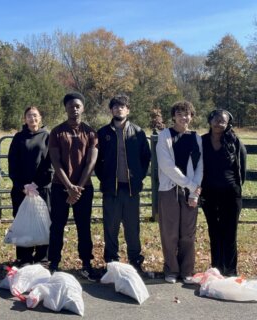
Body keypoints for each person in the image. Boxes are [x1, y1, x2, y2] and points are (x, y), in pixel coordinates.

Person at [95, 95, 151, 273]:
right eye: (116, 106)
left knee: (132, 227)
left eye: (123, 106)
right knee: (110, 226)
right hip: (111, 188)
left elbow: (145, 157)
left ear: (128, 110)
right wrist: (104, 178)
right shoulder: (103, 133)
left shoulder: (138, 132)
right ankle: (112, 261)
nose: (119, 109)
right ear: (111, 110)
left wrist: (138, 177)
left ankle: (135, 260)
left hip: (131, 189)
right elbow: (96, 160)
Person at [47, 92, 99, 281]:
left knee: (83, 226)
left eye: (78, 106)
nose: (74, 109)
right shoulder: (57, 132)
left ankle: (86, 263)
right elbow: (55, 161)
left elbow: (91, 163)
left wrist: (78, 188)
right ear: (66, 108)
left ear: (82, 108)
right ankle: (53, 262)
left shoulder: (91, 132)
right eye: (71, 106)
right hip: (60, 187)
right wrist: (69, 187)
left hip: (84, 188)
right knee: (57, 226)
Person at [156, 101, 203, 284]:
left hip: (191, 191)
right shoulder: (164, 136)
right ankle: (171, 270)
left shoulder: (196, 138)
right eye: (180, 114)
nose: (184, 117)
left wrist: (194, 192)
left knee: (188, 233)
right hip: (169, 190)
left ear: (192, 116)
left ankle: (187, 271)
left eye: (187, 114)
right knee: (170, 232)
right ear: (173, 116)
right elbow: (166, 166)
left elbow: (200, 166)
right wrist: (190, 185)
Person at [201, 109, 246, 276]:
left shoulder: (234, 141)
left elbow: (241, 168)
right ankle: (217, 269)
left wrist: (236, 187)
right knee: (214, 231)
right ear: (210, 120)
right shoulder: (202, 141)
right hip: (209, 193)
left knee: (230, 231)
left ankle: (231, 270)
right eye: (216, 119)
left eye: (223, 120)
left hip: (231, 193)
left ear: (228, 124)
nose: (219, 123)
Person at [8, 106, 53, 266]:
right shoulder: (19, 138)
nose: (32, 119)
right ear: (24, 119)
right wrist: (23, 186)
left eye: (35, 116)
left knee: (43, 221)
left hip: (42, 189)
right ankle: (24, 257)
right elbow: (12, 164)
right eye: (29, 116)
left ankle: (42, 258)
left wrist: (36, 184)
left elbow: (50, 163)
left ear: (40, 118)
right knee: (23, 222)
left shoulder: (48, 137)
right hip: (22, 190)